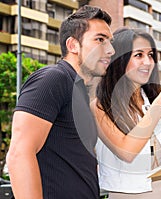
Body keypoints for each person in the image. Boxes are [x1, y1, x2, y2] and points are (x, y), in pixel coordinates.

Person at [6, 5, 115, 199]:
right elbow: (19, 154)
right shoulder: (53, 78)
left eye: (110, 42)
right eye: (100, 40)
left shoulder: (80, 91)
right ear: (72, 45)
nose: (110, 50)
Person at [91, 28, 161, 199]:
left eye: (151, 55)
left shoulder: (154, 101)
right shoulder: (100, 107)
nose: (147, 61)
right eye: (138, 55)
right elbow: (126, 152)